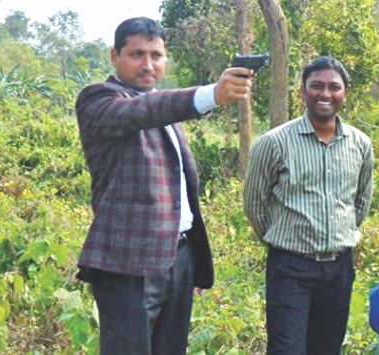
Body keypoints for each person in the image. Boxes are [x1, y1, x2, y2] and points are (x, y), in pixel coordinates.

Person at [74, 17, 253, 354]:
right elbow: (138, 113)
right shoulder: (99, 100)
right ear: (115, 56)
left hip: (177, 258)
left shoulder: (163, 110)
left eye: (156, 55)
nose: (148, 64)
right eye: (136, 54)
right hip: (128, 263)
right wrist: (210, 95)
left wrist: (191, 263)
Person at [243, 56, 374, 354]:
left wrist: (338, 235)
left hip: (340, 267)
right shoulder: (275, 143)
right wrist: (284, 240)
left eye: (333, 87)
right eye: (316, 86)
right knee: (286, 348)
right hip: (290, 268)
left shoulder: (360, 143)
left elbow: (361, 201)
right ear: (302, 91)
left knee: (327, 348)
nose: (325, 94)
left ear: (345, 93)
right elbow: (255, 204)